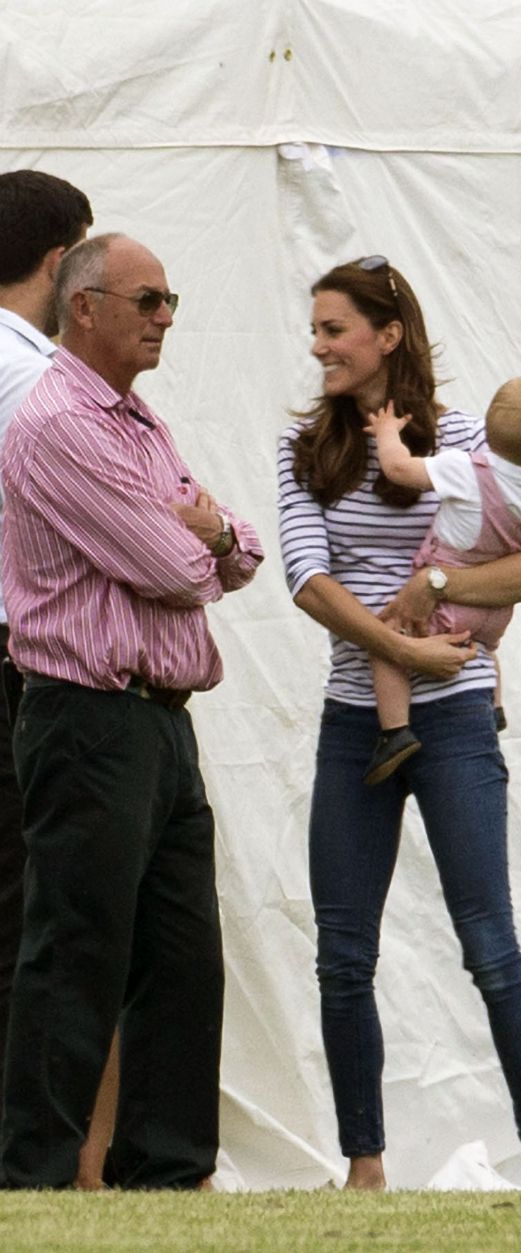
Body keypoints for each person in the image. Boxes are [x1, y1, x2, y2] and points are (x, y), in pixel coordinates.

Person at [278, 256, 521, 1190]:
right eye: (315, 330)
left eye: (334, 329)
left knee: (491, 943)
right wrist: (401, 648)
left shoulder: (471, 438)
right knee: (342, 955)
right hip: (352, 723)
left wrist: (436, 586)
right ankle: (364, 1167)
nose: (317, 345)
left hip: (454, 726)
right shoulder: (303, 449)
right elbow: (306, 580)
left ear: (387, 336)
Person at [0, 232, 264, 1189]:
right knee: (77, 948)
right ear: (85, 308)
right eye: (148, 301)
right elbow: (180, 562)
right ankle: (28, 1172)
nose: (164, 319)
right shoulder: (62, 422)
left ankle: (168, 1165)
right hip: (87, 713)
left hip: (159, 716)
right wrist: (204, 535)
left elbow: (233, 547)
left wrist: (211, 533)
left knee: (182, 950)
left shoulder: (136, 422)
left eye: (170, 302)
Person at [0, 170, 121, 1191]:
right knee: (42, 913)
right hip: (25, 657)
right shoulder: (36, 377)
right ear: (56, 265)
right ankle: (47, 1161)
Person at [360, 376, 521, 784]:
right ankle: (494, 707)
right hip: (494, 607)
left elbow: (398, 469)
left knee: (386, 638)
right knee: (483, 649)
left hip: (448, 600)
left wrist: (387, 433)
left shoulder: (465, 469)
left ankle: (394, 732)